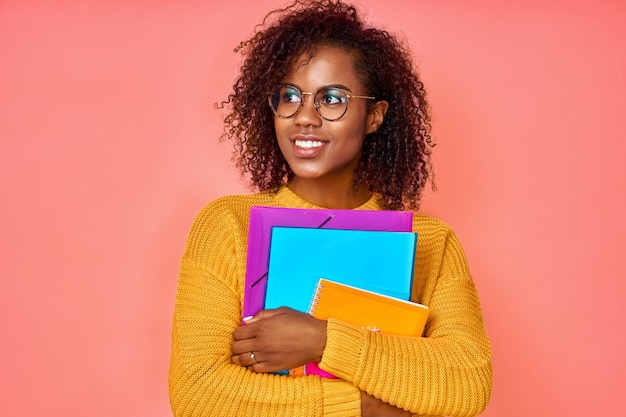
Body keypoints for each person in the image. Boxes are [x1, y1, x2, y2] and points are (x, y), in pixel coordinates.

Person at [168, 0, 492, 416]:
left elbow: (467, 381)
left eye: (332, 98)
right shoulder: (228, 225)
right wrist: (364, 406)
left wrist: (321, 340)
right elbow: (199, 394)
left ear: (374, 116)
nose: (304, 117)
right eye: (289, 96)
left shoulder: (431, 241)